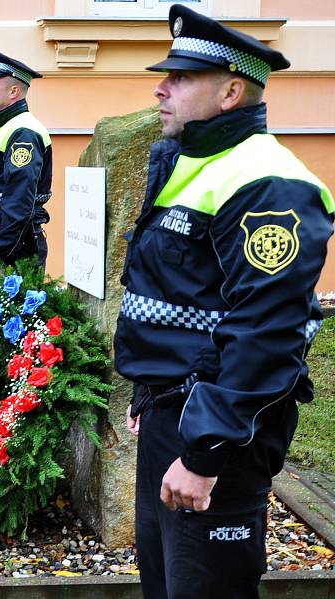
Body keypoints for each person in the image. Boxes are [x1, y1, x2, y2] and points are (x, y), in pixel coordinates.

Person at [115, 5, 335, 598]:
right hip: (175, 412)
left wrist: (206, 452)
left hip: (221, 431)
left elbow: (266, 332)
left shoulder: (267, 181)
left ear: (231, 91)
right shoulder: (193, 162)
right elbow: (175, 296)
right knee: (166, 581)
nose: (160, 88)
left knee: (206, 588)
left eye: (181, 78)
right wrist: (150, 393)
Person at [0, 47, 53, 281]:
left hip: (13, 251)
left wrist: (2, 254)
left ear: (14, 91)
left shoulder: (23, 132)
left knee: (12, 318)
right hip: (0, 245)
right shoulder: (4, 128)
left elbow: (19, 201)